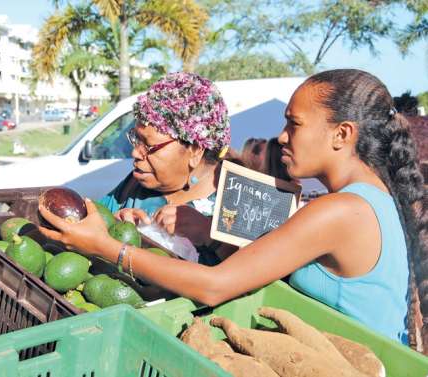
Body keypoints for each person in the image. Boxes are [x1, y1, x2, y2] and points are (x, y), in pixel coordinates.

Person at [38, 69, 427, 349]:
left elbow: (214, 286)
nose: (282, 136)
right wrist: (203, 231)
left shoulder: (340, 211)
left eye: (294, 124)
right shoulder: (371, 200)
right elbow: (274, 248)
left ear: (342, 134)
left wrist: (108, 249)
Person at [98, 72, 232, 265]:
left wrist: (209, 236)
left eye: (148, 145)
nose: (135, 153)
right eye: (136, 139)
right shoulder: (136, 183)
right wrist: (112, 224)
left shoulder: (235, 201)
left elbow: (256, 273)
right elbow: (92, 220)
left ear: (194, 151)